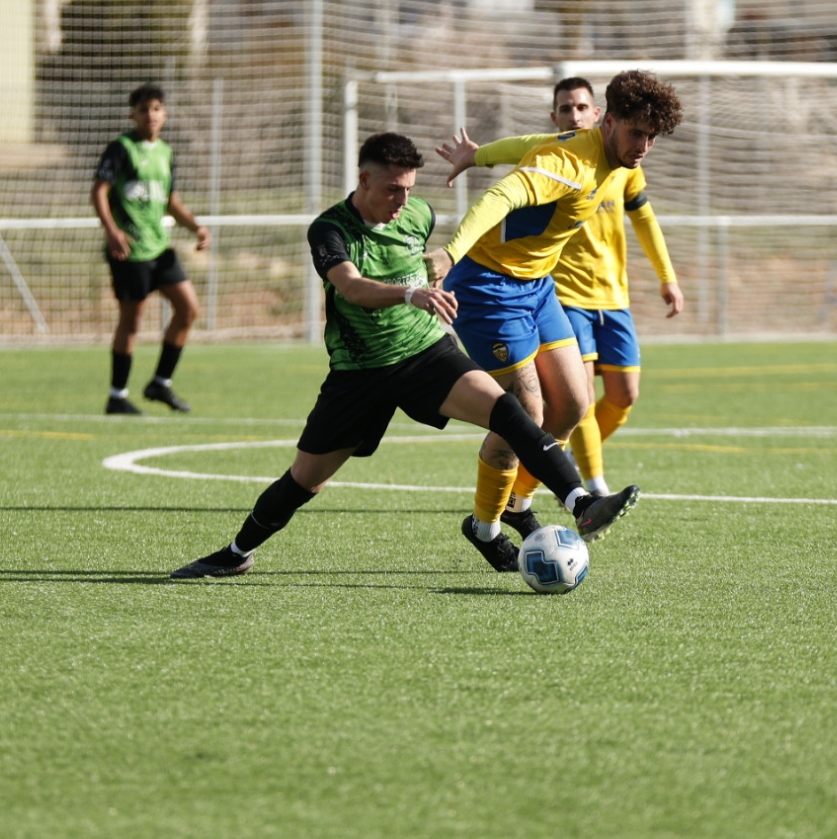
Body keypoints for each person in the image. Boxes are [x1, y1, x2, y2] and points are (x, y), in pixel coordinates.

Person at [170, 132, 640, 580]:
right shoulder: (330, 229)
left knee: (511, 412)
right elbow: (351, 288)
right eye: (393, 189)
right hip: (361, 373)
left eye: (409, 189)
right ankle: (237, 553)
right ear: (365, 180)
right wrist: (410, 295)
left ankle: (580, 503)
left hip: (424, 353)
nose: (402, 200)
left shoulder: (420, 215)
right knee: (304, 481)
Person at [422, 70, 682, 572]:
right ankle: (484, 526)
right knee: (527, 412)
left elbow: (525, 141)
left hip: (538, 288)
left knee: (575, 405)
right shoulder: (569, 162)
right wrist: (452, 253)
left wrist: (475, 155)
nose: (644, 146)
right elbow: (502, 196)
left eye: (652, 137)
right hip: (488, 287)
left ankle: (518, 503)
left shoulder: (599, 148)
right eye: (636, 134)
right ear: (610, 122)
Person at [92, 82, 211, 415]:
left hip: (160, 248)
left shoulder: (167, 153)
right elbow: (99, 191)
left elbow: (171, 201)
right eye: (144, 109)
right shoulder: (121, 149)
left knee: (188, 310)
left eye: (156, 108)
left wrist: (196, 227)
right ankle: (117, 395)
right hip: (129, 250)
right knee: (132, 322)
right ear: (133, 114)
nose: (151, 115)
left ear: (165, 113)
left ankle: (160, 383)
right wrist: (112, 231)